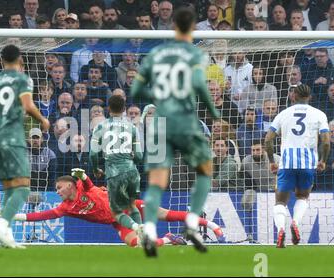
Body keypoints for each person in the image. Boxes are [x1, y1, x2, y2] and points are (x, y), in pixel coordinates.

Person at [130, 7, 220, 257]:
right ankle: (192, 223)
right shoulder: (195, 54)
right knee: (205, 171)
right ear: (192, 27)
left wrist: (159, 95)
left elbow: (136, 91)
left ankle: (148, 229)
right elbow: (201, 85)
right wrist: (213, 111)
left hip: (159, 122)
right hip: (184, 121)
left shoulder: (156, 53)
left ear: (173, 27)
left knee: (157, 182)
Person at [0, 44, 50, 249]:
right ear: (20, 59)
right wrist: (43, 120)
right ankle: (1, 226)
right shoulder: (22, 79)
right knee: (23, 189)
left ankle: (6, 234)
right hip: (13, 139)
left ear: (1, 61)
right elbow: (27, 105)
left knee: (9, 187)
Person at [13, 172, 225, 246]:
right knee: (136, 244)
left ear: (69, 185)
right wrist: (18, 216)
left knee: (165, 214)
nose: (57, 192)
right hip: (116, 220)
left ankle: (211, 224)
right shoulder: (65, 208)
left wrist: (83, 176)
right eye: (56, 190)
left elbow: (87, 183)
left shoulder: (81, 186)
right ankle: (170, 239)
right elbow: (42, 215)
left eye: (59, 188)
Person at [265, 84, 330, 248]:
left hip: (287, 163)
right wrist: (322, 160)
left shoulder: (283, 114)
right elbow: (327, 141)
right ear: (310, 97)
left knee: (280, 201)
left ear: (293, 96)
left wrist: (272, 162)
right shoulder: (319, 114)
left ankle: (281, 229)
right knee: (302, 196)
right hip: (307, 162)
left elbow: (267, 139)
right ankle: (295, 222)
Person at [90, 95, 144, 237]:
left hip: (114, 173)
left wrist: (96, 169)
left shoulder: (100, 127)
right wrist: (130, 156)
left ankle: (137, 227)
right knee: (132, 206)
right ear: (124, 109)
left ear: (108, 109)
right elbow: (139, 156)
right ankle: (142, 236)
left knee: (116, 212)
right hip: (132, 172)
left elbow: (92, 154)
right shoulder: (132, 127)